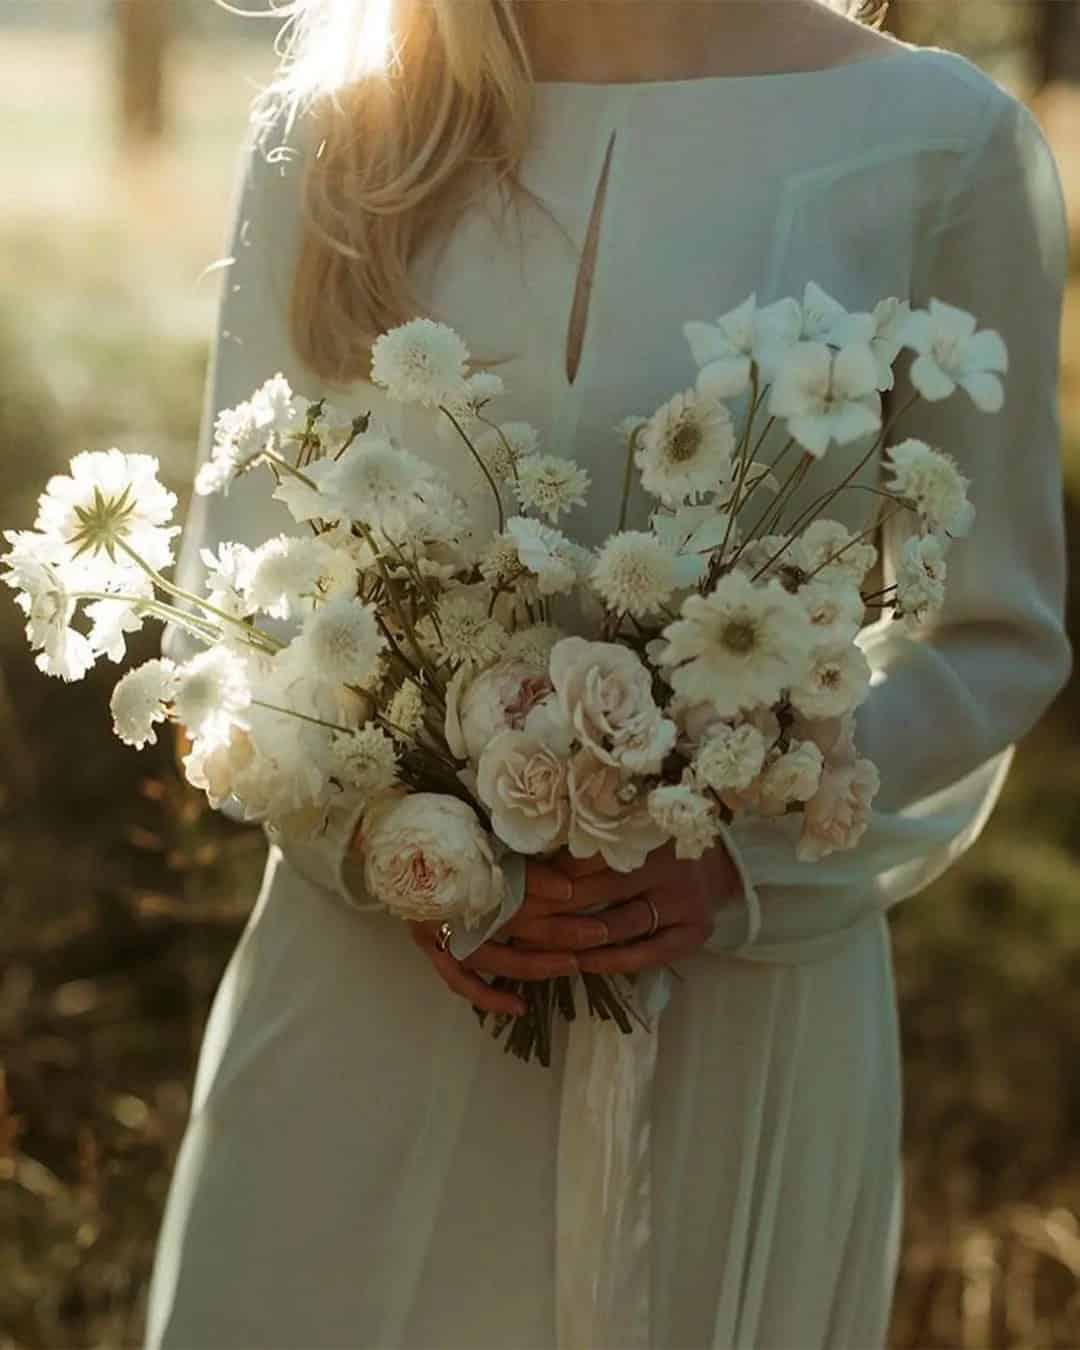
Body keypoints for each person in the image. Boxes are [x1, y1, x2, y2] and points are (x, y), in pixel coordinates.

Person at [142, 0, 1072, 1345]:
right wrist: (385, 839)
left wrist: (738, 847)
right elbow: (230, 613)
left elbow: (994, 630)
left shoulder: (941, 141)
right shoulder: (337, 122)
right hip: (371, 1009)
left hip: (735, 1014)